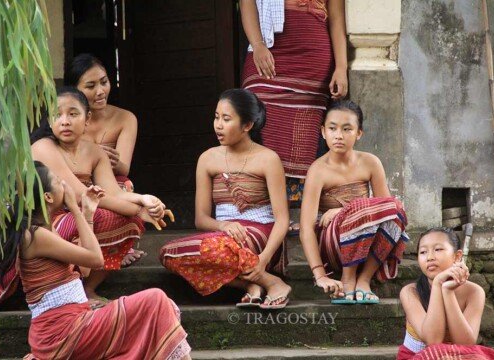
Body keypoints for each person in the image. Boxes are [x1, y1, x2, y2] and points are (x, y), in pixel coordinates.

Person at [0, 161, 191, 359]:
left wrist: (87, 212)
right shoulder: (35, 236)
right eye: (58, 180)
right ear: (48, 197)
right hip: (62, 334)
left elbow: (85, 269)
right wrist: (75, 208)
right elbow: (96, 259)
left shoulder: (46, 230)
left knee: (156, 307)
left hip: (72, 324)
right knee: (155, 300)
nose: (65, 184)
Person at [31, 87, 172, 306]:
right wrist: (139, 209)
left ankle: (87, 288)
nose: (65, 121)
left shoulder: (95, 151)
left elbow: (113, 193)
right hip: (48, 222)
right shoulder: (43, 147)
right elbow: (79, 195)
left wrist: (145, 199)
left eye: (73, 114)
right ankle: (69, 285)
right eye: (57, 115)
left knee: (130, 222)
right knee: (104, 217)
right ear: (49, 121)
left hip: (84, 212)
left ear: (87, 119)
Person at [160, 89, 291, 309]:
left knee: (221, 248)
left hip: (262, 236)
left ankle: (270, 278)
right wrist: (224, 224)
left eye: (226, 119)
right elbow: (201, 220)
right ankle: (258, 283)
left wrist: (264, 258)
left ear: (247, 125)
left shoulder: (268, 159)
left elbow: (282, 219)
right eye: (216, 117)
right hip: (223, 236)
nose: (218, 125)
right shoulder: (207, 159)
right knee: (169, 253)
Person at [240, 0, 348, 205]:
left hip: (313, 53)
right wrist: (258, 45)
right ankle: (262, 204)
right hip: (267, 47)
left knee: (306, 127)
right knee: (256, 113)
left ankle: (300, 207)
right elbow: (247, 3)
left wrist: (341, 67)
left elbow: (336, 18)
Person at [300, 100, 408, 304]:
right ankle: (347, 278)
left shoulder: (370, 162)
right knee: (359, 209)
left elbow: (387, 209)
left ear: (359, 133)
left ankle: (364, 279)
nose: (338, 135)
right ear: (323, 132)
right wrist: (320, 275)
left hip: (366, 245)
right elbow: (306, 229)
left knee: (396, 212)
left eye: (347, 129)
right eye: (332, 128)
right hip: (334, 245)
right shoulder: (317, 170)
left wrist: (343, 210)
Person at [66, 53, 143, 267]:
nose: (100, 91)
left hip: (111, 183)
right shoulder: (66, 121)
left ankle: (119, 246)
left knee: (126, 186)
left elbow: (124, 167)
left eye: (104, 82)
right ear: (74, 90)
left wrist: (97, 156)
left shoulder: (125, 118)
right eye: (91, 86)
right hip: (75, 184)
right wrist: (92, 152)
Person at [397, 227, 494, 360]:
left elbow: (466, 344)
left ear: (457, 256)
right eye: (423, 252)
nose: (430, 257)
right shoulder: (410, 292)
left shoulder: (474, 292)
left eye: (438, 249)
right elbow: (433, 341)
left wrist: (447, 291)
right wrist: (437, 284)